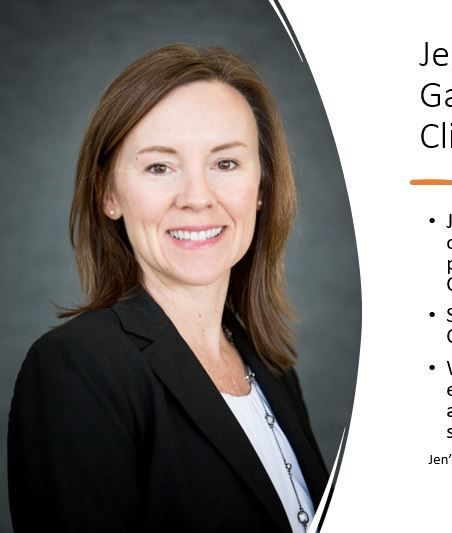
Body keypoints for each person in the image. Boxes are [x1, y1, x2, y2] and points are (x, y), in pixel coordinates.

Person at [7, 44, 327, 533]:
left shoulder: (271, 368)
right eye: (160, 167)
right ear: (109, 194)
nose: (197, 198)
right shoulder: (77, 369)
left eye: (226, 164)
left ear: (262, 186)